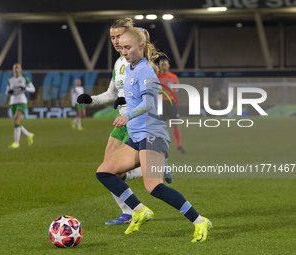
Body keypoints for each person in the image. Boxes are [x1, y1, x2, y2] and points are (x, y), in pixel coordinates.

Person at [96, 27, 212, 242]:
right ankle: (139, 210)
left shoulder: (146, 70)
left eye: (128, 47)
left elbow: (149, 102)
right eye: (121, 48)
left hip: (152, 133)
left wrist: (127, 116)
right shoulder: (129, 68)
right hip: (137, 136)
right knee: (104, 172)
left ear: (141, 46)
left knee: (154, 186)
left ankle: (199, 221)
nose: (124, 51)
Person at [77, 18, 154, 225]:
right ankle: (128, 211)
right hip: (121, 122)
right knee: (107, 169)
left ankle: (133, 209)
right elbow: (112, 93)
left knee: (113, 170)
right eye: (112, 37)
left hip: (136, 121)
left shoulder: (139, 62)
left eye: (119, 36)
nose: (116, 41)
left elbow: (147, 95)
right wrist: (91, 100)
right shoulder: (120, 63)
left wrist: (127, 100)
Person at [158, 57, 185, 154]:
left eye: (165, 64)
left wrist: (172, 90)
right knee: (162, 125)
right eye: (162, 65)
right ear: (159, 66)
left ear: (168, 65)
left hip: (171, 102)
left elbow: (177, 89)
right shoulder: (156, 76)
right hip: (161, 103)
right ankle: (163, 146)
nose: (163, 66)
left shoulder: (173, 76)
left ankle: (179, 145)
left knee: (175, 123)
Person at [6, 63, 35, 149]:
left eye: (18, 68)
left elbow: (33, 89)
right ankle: (29, 134)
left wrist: (25, 88)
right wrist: (11, 92)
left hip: (22, 101)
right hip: (13, 102)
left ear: (21, 69)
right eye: (15, 68)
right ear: (13, 70)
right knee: (15, 123)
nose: (16, 69)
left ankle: (16, 143)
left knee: (16, 121)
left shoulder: (24, 79)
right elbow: (7, 91)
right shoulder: (10, 80)